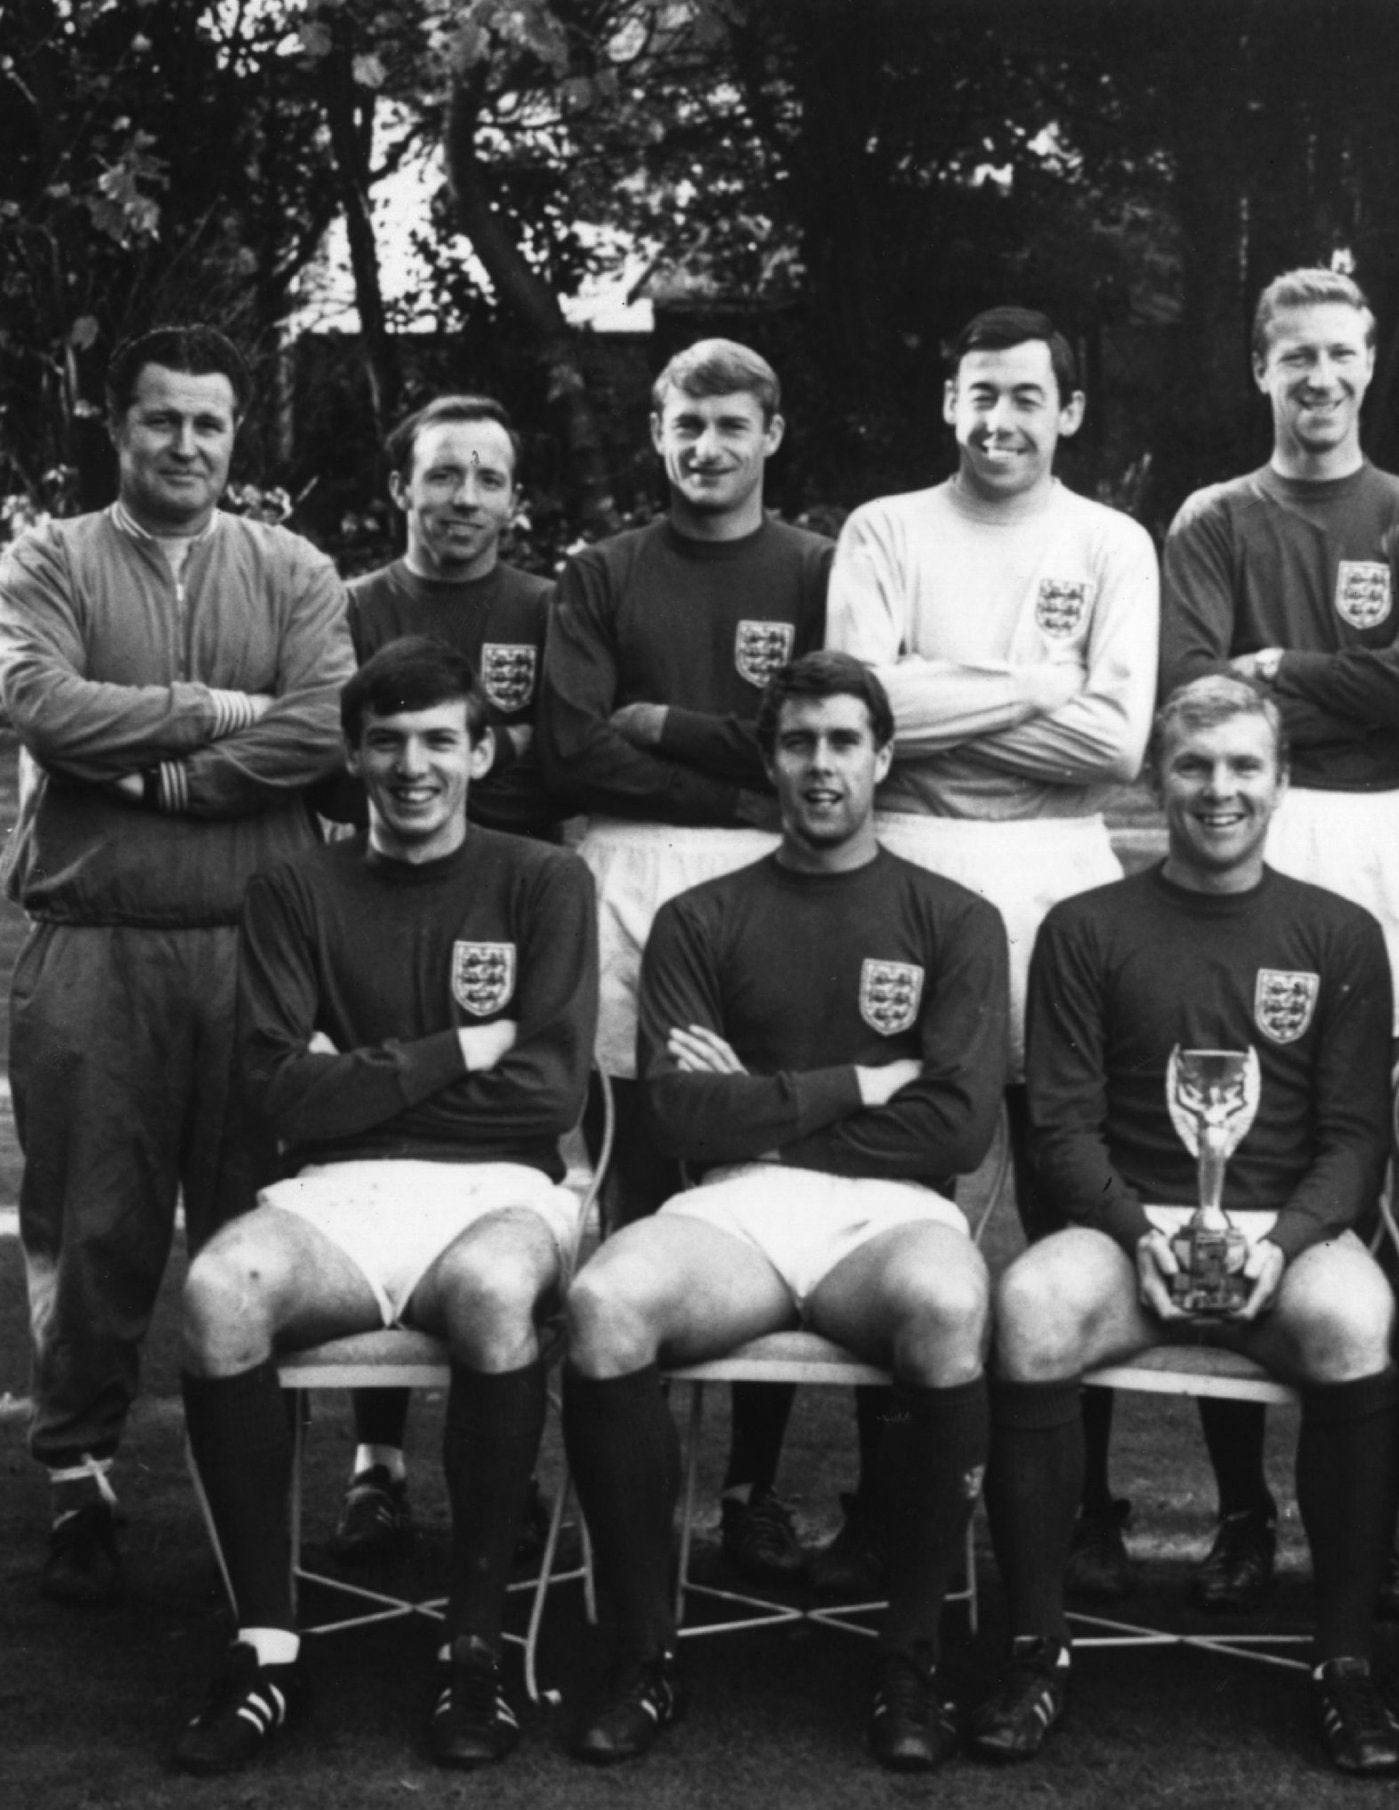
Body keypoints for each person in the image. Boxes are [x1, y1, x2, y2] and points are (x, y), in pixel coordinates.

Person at [558, 651, 1007, 1769]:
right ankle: (640, 1650)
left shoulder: (954, 917)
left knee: (950, 1311)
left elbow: (954, 1131)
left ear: (884, 757)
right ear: (767, 759)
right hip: (738, 1211)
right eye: (798, 742)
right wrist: (855, 1085)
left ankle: (911, 1657)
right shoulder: (701, 916)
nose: (820, 764)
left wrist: (750, 1102)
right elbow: (675, 1119)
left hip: (892, 1216)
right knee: (607, 1300)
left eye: (843, 741)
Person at [169, 638, 596, 1774]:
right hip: (333, 1194)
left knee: (499, 1293)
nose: (415, 766)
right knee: (218, 1290)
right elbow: (276, 1091)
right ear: (352, 754)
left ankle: (475, 1648)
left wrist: (351, 1076)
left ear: (482, 749)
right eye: (389, 742)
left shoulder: (543, 879)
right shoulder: (294, 887)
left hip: (501, 1186)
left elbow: (549, 1087)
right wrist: (462, 1046)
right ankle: (265, 1647)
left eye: (440, 740)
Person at [970, 675, 1399, 1776]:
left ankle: (1345, 1660)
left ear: (1283, 780)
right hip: (1133, 1230)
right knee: (1030, 1305)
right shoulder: (1084, 928)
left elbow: (1356, 1140)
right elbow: (1060, 1129)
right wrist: (1138, 1234)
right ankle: (1033, 1645)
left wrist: (1281, 1243)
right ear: (1154, 779)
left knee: (1357, 1320)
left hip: (1280, 1233)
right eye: (1195, 766)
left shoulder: (1339, 932)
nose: (1219, 790)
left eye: (1244, 767)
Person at [0, 322, 351, 1606]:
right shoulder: (48, 558)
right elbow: (39, 702)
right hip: (98, 946)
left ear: (237, 433)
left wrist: (160, 775)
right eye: (162, 419)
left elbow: (323, 726)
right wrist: (206, 714)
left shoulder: (296, 565)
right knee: (97, 1224)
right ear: (118, 425)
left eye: (209, 422)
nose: (187, 444)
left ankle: (258, 1476)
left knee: (265, 1218)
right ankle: (80, 1471)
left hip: (264, 954)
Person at [1155, 264, 1399, 1611]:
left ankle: (1385, 1481)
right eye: (1298, 358)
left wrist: (1288, 675)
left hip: (1389, 840)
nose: (1322, 379)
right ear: (1261, 368)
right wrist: (1348, 681)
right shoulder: (1216, 515)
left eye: (1343, 355)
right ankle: (1242, 1506)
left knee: (1392, 1146)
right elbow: (1197, 695)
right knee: (1232, 1144)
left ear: (1370, 364)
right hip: (1257, 834)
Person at [822, 304, 1156, 1597]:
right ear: (946, 402)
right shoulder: (885, 529)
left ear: (1069, 411)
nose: (1001, 420)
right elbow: (861, 708)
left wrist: (936, 689)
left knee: (1072, 1190)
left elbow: (1116, 744)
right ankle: (890, 1494)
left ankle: (1079, 1499)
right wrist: (1030, 683)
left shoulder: (1111, 540)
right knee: (906, 1192)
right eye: (980, 395)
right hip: (909, 874)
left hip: (1066, 876)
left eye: (1028, 396)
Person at [541, 338, 835, 1587]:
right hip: (625, 883)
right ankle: (635, 1483)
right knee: (640, 1173)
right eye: (683, 425)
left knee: (766, 1176)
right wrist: (737, 761)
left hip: (775, 886)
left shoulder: (822, 568)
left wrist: (669, 724)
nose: (705, 446)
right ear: (657, 435)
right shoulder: (603, 571)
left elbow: (824, 737)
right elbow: (571, 747)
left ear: (771, 433)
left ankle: (753, 1487)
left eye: (729, 423)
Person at [330, 392, 570, 1563]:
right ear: (401, 489)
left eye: (487, 477)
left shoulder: (545, 607)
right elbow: (334, 759)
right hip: (376, 903)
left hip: (510, 904)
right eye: (442, 475)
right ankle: (374, 1463)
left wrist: (498, 773)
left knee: (503, 1164)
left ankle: (506, 1459)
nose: (463, 497)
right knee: (372, 1153)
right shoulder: (355, 604)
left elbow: (564, 751)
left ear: (515, 499)